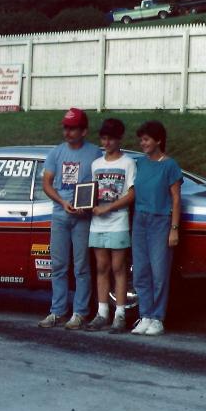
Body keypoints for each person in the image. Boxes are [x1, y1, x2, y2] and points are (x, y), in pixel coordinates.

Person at [38, 108, 102, 330]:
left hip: (83, 217)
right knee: (58, 265)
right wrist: (62, 202)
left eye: (73, 128)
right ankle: (57, 311)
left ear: (84, 131)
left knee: (82, 266)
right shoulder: (56, 153)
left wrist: (90, 204)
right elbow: (46, 183)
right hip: (60, 214)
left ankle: (80, 312)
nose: (68, 132)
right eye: (66, 127)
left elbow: (101, 183)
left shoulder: (95, 153)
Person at [131, 120, 182, 336]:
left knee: (159, 272)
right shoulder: (140, 164)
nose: (143, 143)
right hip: (139, 220)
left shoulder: (170, 165)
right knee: (140, 271)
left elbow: (176, 200)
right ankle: (145, 315)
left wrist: (174, 228)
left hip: (161, 221)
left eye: (146, 139)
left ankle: (158, 318)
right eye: (141, 140)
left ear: (158, 140)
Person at [84, 118, 136, 333]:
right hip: (97, 224)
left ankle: (120, 314)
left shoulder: (128, 163)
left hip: (118, 222)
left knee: (119, 268)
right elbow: (89, 192)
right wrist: (86, 205)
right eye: (103, 138)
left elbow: (132, 194)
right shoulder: (96, 164)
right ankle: (102, 312)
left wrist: (109, 207)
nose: (106, 143)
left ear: (119, 139)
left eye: (110, 139)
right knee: (101, 267)